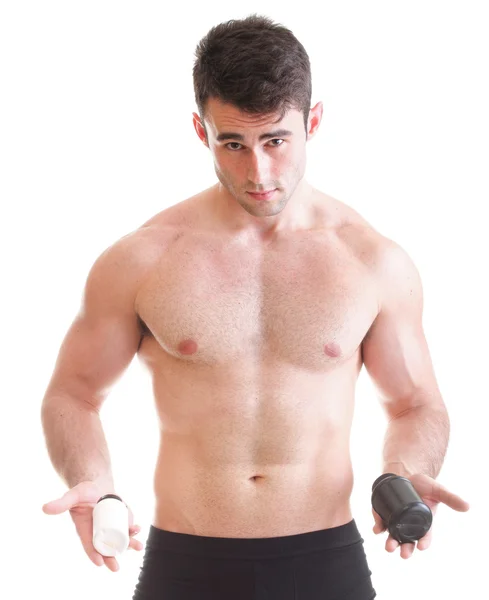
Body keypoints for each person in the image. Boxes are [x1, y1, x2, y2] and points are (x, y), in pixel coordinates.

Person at [41, 13, 470, 600]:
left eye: (275, 140)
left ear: (312, 121)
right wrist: (93, 481)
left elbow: (416, 404)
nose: (258, 172)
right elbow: (74, 393)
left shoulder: (372, 262)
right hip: (185, 564)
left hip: (323, 561)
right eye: (233, 144)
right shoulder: (142, 260)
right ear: (201, 130)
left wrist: (407, 471)